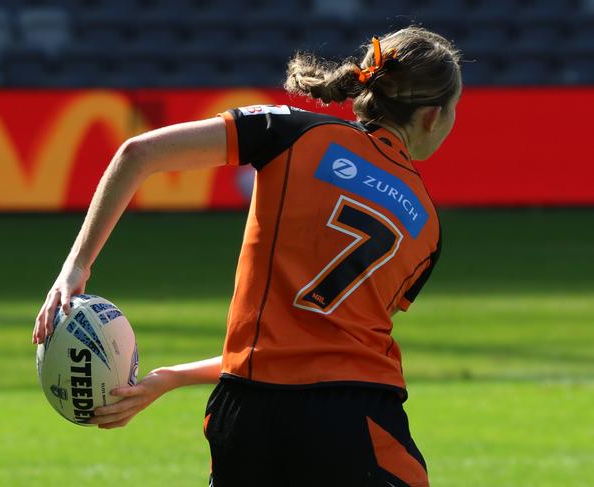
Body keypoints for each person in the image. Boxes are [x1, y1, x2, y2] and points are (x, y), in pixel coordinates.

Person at [33, 25, 461, 487]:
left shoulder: (291, 131)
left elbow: (137, 153)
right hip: (356, 419)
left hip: (247, 415)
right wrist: (170, 378)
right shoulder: (425, 224)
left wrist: (75, 269)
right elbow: (327, 348)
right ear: (433, 116)